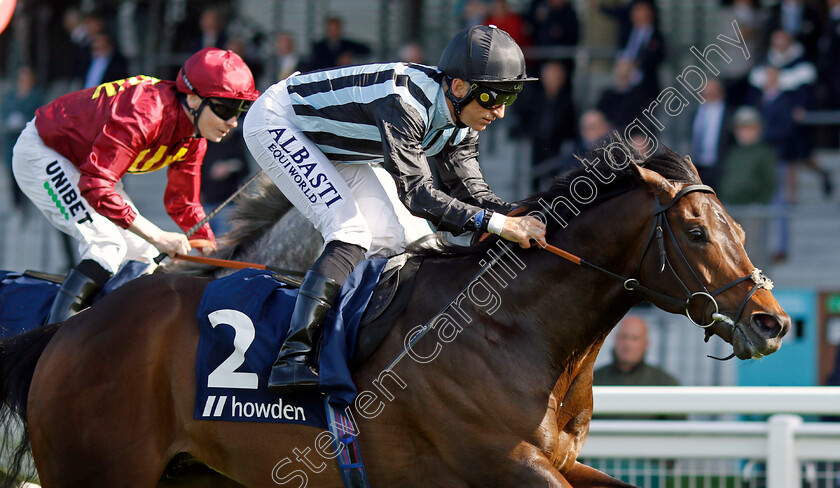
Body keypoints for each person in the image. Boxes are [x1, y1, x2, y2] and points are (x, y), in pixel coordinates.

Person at [244, 25, 547, 394]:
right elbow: (418, 195)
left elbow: (469, 190)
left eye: (509, 98)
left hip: (336, 145)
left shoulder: (462, 117)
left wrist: (522, 215)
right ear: (459, 87)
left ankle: (347, 343)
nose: (499, 112)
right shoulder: (404, 102)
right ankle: (292, 357)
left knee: (391, 238)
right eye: (492, 98)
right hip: (280, 123)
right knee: (350, 232)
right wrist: (498, 224)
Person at [12, 47, 259, 324]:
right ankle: (49, 344)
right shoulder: (146, 113)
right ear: (192, 98)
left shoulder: (194, 137)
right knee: (106, 245)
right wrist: (158, 235)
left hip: (88, 167)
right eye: (225, 109)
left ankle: (108, 333)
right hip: (43, 151)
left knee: (144, 257)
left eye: (240, 110)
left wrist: (209, 245)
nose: (232, 122)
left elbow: (183, 202)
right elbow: (96, 186)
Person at [2, 66, 44, 211]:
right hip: (10, 144)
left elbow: (40, 118)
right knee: (13, 179)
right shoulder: (11, 96)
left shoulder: (36, 96)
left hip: (28, 145)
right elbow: (3, 114)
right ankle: (18, 208)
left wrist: (23, 121)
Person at [689, 78, 733, 189]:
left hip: (721, 166)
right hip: (697, 165)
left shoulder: (729, 114)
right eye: (705, 91)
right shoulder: (694, 112)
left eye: (712, 91)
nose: (708, 94)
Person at [307, 16, 372, 71]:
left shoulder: (347, 45)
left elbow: (367, 51)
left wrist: (351, 55)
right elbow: (317, 64)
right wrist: (338, 61)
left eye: (335, 29)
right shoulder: (319, 47)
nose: (333, 32)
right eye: (331, 29)